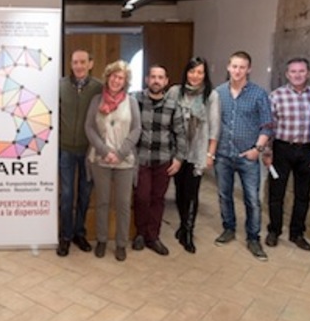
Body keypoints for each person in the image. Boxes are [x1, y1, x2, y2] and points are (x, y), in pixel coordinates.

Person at [214, 51, 273, 261]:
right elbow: (212, 124)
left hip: (248, 156)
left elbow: (267, 126)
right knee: (224, 195)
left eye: (242, 67)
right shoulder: (218, 93)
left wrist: (257, 149)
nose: (237, 71)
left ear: (249, 69)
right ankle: (228, 228)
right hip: (223, 155)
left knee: (252, 199)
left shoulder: (259, 94)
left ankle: (253, 237)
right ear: (228, 67)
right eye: (234, 66)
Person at [263, 57, 310, 251]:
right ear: (287, 74)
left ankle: (297, 233)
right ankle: (274, 230)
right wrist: (267, 151)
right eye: (293, 71)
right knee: (276, 194)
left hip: (307, 149)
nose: (297, 75)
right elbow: (268, 126)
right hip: (282, 148)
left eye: (301, 71)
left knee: (302, 195)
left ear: (308, 73)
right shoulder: (276, 96)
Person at [85, 60, 141, 262]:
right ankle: (101, 240)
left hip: (124, 161)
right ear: (107, 77)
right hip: (100, 159)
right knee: (102, 201)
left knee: (123, 203)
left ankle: (120, 244)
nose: (116, 80)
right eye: (114, 76)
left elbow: (136, 129)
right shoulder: (96, 100)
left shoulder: (132, 102)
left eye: (121, 77)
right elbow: (89, 127)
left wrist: (120, 152)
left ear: (125, 81)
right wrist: (105, 150)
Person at [132, 65, 187, 256]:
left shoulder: (173, 105)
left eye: (160, 77)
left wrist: (179, 159)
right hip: (141, 160)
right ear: (147, 79)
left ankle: (152, 237)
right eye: (153, 77)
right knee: (141, 197)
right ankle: (139, 233)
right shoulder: (135, 100)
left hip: (163, 161)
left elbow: (181, 134)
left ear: (166, 81)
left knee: (158, 199)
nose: (156, 80)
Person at [170, 57, 220, 253]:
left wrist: (210, 154)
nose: (195, 76)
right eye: (192, 72)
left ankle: (188, 232)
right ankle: (182, 226)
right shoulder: (175, 92)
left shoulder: (211, 95)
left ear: (205, 74)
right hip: (178, 151)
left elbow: (214, 128)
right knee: (179, 191)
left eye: (199, 72)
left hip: (198, 151)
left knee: (192, 193)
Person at [57, 49, 103, 256]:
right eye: (75, 62)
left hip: (89, 151)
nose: (79, 66)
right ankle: (65, 236)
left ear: (90, 64)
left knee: (84, 195)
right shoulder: (60, 86)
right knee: (67, 195)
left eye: (83, 62)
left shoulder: (99, 89)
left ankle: (79, 233)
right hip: (65, 149)